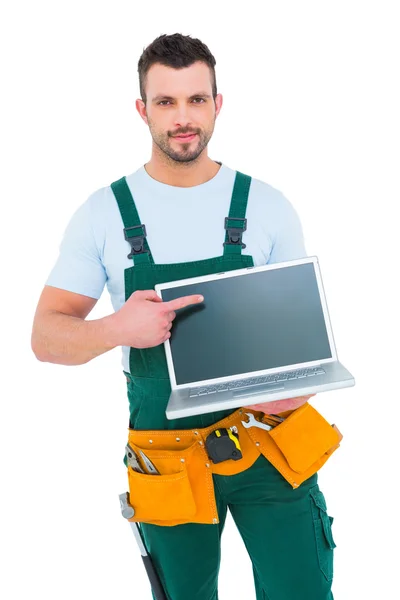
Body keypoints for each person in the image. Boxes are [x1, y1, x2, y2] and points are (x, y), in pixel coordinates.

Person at [31, 33, 337, 600]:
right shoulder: (104, 214)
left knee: (302, 589)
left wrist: (299, 388)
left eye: (196, 100)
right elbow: (46, 337)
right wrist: (117, 328)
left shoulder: (267, 205)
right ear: (143, 110)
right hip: (166, 454)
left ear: (218, 104)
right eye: (166, 102)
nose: (183, 118)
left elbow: (302, 342)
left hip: (268, 439)